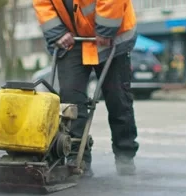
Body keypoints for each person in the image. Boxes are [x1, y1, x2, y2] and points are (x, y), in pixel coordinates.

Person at [33, 0, 139, 177]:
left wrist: (105, 28)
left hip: (112, 37)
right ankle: (77, 157)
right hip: (72, 40)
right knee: (70, 101)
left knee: (118, 99)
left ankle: (125, 157)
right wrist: (57, 32)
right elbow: (42, 3)